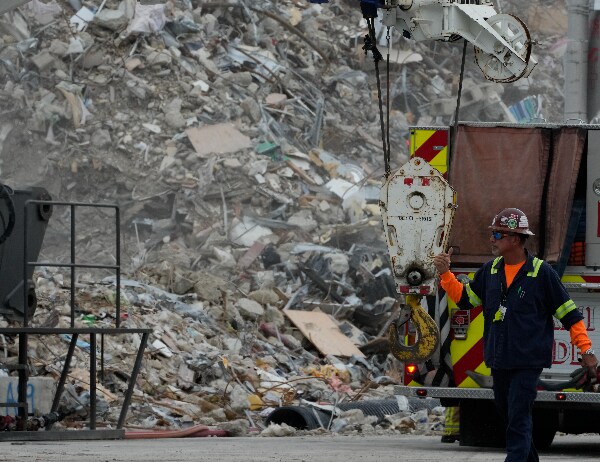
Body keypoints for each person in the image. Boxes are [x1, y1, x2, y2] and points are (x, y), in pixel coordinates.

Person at [433, 207, 598, 462]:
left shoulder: (542, 273)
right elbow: (466, 300)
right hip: (499, 359)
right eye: (493, 234)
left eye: (498, 234)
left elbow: (570, 316)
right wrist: (446, 273)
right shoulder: (490, 271)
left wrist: (586, 350)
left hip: (527, 361)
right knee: (509, 414)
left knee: (519, 415)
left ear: (516, 239)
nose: (492, 239)